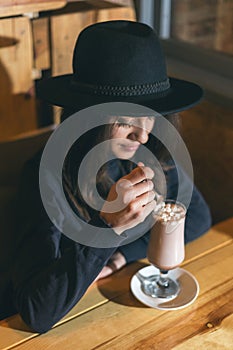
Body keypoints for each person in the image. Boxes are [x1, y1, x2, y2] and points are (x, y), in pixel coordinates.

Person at [0, 20, 211, 333]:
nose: (142, 134)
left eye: (151, 117)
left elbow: (197, 216)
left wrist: (120, 256)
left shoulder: (149, 154)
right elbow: (36, 311)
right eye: (126, 120)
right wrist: (107, 230)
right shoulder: (45, 175)